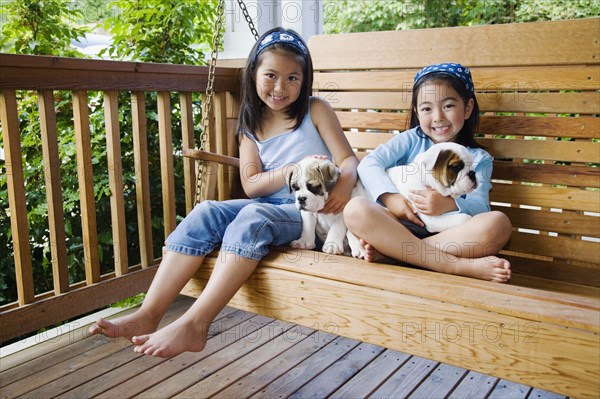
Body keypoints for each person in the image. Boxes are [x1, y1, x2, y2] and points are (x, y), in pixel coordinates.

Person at [88, 28, 358, 357]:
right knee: (207, 211)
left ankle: (196, 324)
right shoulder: (250, 125)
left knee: (252, 215)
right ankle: (148, 314)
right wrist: (290, 169)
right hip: (267, 204)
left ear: (305, 81)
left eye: (292, 78)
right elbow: (252, 184)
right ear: (254, 74)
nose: (280, 87)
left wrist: (342, 187)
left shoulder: (315, 110)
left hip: (311, 214)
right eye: (270, 75)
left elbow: (347, 160)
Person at [343, 63, 512, 283]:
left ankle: (400, 254)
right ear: (416, 112)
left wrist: (449, 204)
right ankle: (457, 266)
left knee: (498, 224)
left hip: (449, 237)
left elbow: (481, 207)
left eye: (449, 105)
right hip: (396, 226)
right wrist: (390, 197)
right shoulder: (411, 140)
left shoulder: (478, 158)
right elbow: (368, 164)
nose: (438, 117)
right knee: (355, 210)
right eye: (426, 109)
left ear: (468, 108)